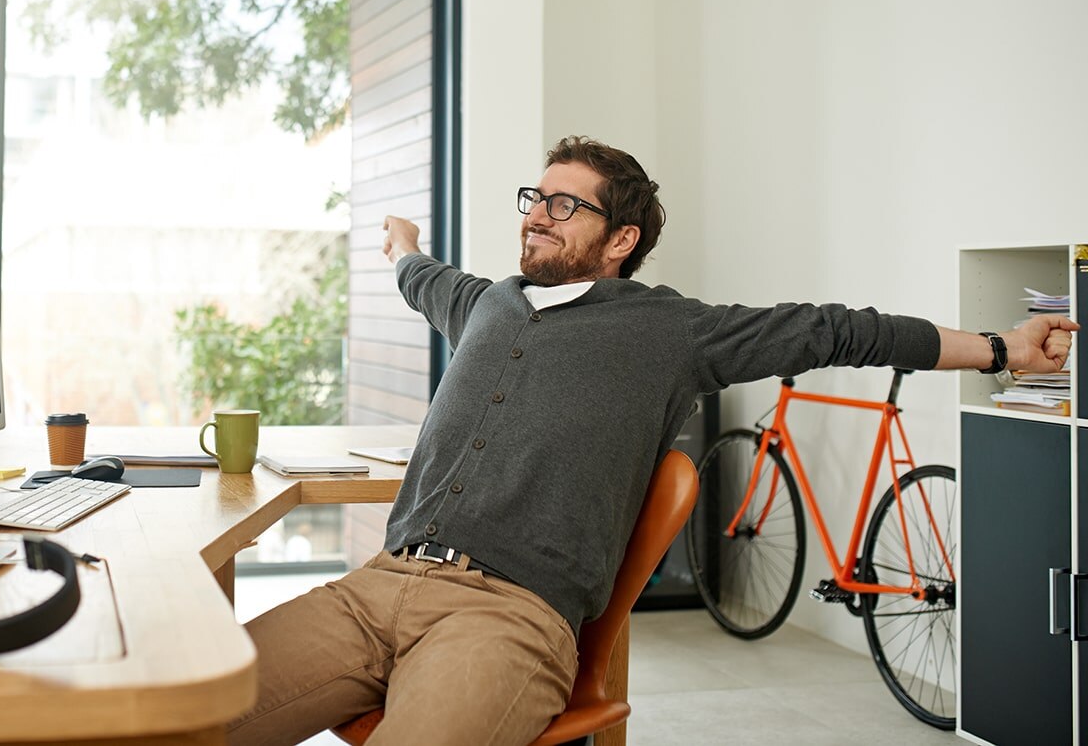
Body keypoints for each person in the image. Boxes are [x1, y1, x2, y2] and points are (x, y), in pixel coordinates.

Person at [226, 136, 1076, 746]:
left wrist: (1001, 350)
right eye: (535, 198)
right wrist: (403, 244)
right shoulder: (483, 301)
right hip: (378, 586)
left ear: (621, 238)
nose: (538, 216)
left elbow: (837, 330)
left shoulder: (673, 332)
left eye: (565, 204)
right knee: (172, 710)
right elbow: (417, 277)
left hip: (508, 616)